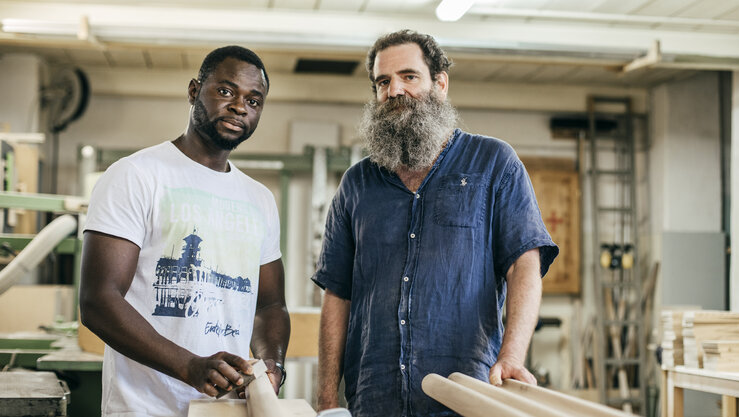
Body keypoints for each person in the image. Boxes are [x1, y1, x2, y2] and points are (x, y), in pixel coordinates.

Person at [313, 30, 559, 416]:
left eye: (409, 76)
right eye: (383, 81)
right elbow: (336, 295)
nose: (394, 90)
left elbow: (524, 264)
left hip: (465, 398)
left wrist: (512, 356)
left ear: (440, 83)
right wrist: (326, 401)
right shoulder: (357, 184)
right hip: (374, 400)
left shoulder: (494, 163)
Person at [80, 45, 290, 417]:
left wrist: (271, 365)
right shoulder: (136, 175)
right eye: (226, 91)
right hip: (144, 407)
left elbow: (270, 305)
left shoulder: (260, 199)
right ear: (194, 91)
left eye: (253, 100)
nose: (240, 107)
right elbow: (99, 300)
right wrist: (189, 366)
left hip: (224, 410)